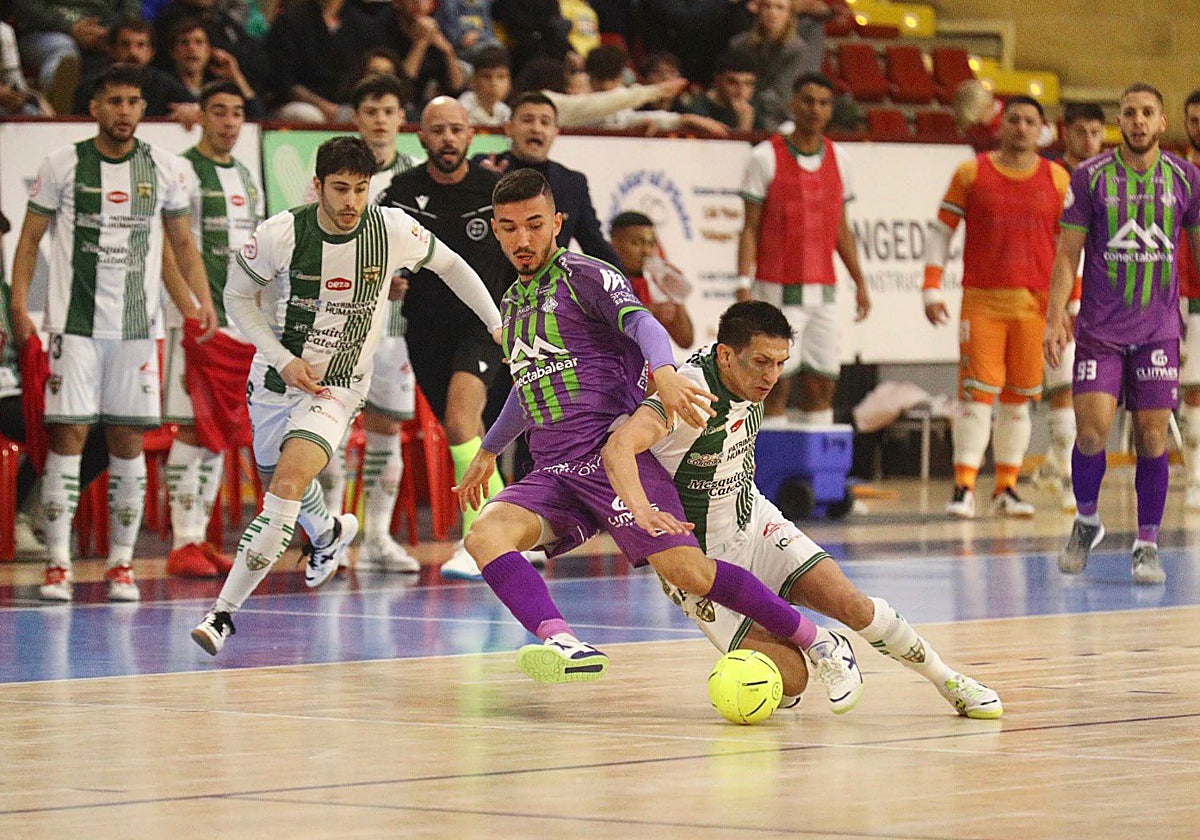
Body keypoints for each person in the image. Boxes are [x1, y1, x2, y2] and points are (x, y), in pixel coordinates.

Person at [453, 168, 864, 712]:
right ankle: (564, 642)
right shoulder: (513, 303)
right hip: (554, 471)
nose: (522, 240)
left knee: (687, 572)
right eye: (509, 228)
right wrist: (487, 450)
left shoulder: (587, 276)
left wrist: (665, 372)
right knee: (484, 535)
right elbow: (529, 390)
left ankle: (819, 641)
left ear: (556, 222)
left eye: (534, 225)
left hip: (613, 458)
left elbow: (645, 325)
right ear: (497, 231)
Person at [601, 301, 1002, 717]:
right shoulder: (687, 397)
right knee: (791, 682)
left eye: (780, 363)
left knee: (853, 605)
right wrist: (641, 511)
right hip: (700, 561)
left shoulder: (748, 380)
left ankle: (948, 679)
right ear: (725, 355)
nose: (771, 376)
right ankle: (802, 652)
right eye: (760, 362)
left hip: (753, 521)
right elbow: (618, 447)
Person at [190, 136, 502, 655]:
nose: (351, 202)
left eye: (360, 189)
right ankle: (331, 533)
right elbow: (237, 296)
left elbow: (451, 266)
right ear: (317, 187)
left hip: (337, 386)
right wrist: (281, 356)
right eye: (340, 189)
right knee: (281, 481)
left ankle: (222, 615)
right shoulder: (282, 232)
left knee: (286, 485)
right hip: (274, 379)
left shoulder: (392, 231)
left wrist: (493, 322)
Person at [9, 63, 218, 603]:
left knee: (127, 440)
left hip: (136, 332)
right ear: (95, 107)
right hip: (73, 329)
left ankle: (121, 565)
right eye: (114, 101)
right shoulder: (63, 165)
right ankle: (58, 564)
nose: (124, 111)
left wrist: (201, 303)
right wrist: (18, 306)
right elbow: (29, 241)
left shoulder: (165, 169)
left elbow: (180, 247)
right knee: (68, 438)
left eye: (133, 101)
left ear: (143, 109)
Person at [1046, 83, 1200, 585]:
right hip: (1099, 330)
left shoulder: (1186, 178)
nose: (1138, 121)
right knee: (1091, 431)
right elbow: (1068, 252)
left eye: (1147, 113)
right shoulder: (1090, 178)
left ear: (1161, 123)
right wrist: (1054, 318)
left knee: (1153, 434)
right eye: (1129, 113)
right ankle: (1087, 521)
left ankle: (1147, 544)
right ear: (1121, 121)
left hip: (1158, 330)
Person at [378, 97, 515, 580]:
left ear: (472, 135)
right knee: (463, 433)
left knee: (461, 422)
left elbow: (526, 251)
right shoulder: (398, 194)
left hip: (483, 327)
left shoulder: (494, 191)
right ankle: (506, 531)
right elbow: (372, 257)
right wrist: (386, 281)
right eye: (437, 131)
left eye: (456, 130)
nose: (447, 139)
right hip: (425, 330)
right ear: (421, 137)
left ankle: (482, 541)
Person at [923, 96, 1070, 519]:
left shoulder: (1057, 179)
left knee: (1018, 400)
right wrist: (932, 287)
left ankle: (1006, 487)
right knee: (976, 396)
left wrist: (1071, 302)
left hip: (1036, 306)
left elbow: (1069, 248)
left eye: (1030, 121)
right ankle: (963, 487)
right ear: (1000, 125)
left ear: (1041, 129)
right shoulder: (972, 172)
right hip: (982, 302)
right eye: (1014, 120)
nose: (1022, 128)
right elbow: (940, 232)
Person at [316, 73, 421, 574]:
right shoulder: (336, 170)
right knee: (331, 430)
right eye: (371, 112)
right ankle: (330, 536)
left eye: (389, 112)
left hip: (395, 327)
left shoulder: (416, 175)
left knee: (386, 429)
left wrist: (407, 281)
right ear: (356, 118)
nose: (380, 121)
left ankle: (377, 536)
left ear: (402, 119)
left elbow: (427, 250)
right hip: (341, 323)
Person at [162, 80, 264, 578]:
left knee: (216, 429)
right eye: (218, 112)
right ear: (200, 115)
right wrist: (190, 307)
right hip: (195, 320)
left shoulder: (246, 176)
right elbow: (172, 245)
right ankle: (182, 539)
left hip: (238, 323)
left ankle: (198, 538)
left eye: (236, 113)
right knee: (191, 423)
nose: (228, 122)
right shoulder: (180, 170)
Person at [736, 72, 870, 426]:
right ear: (793, 104)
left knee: (823, 382)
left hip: (823, 292)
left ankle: (814, 474)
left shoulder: (840, 159)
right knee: (775, 382)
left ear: (831, 110)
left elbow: (842, 228)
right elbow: (749, 227)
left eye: (824, 103)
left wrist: (860, 281)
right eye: (808, 101)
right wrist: (741, 281)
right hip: (776, 288)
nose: (815, 109)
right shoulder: (765, 157)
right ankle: (767, 470)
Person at [1033, 102, 1105, 512]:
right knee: (1063, 388)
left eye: (1097, 133)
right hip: (1055, 296)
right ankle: (1064, 478)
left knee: (1087, 392)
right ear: (1065, 131)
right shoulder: (1050, 176)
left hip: (1098, 301)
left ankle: (1053, 467)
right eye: (1081, 132)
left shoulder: (1109, 179)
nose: (1090, 141)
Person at [478, 91, 624, 269]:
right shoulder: (486, 168)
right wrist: (483, 179)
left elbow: (595, 246)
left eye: (545, 122)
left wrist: (625, 289)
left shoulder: (572, 183)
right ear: (509, 128)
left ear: (556, 132)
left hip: (552, 291)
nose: (536, 128)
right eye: (527, 120)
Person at [11, 0, 138, 113]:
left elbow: (131, 9)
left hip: (105, 33)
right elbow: (23, 5)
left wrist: (109, 31)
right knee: (65, 51)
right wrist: (69, 27)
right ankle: (58, 108)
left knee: (129, 48)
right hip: (45, 32)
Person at [72, 19, 198, 123]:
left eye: (141, 45)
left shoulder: (165, 84)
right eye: (125, 45)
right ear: (111, 49)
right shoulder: (91, 85)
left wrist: (193, 110)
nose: (133, 52)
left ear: (151, 52)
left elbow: (199, 108)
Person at [609, 211, 694, 347]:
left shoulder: (648, 285)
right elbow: (610, 335)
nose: (646, 251)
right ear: (614, 244)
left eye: (651, 244)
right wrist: (650, 311)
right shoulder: (603, 282)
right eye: (637, 243)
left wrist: (676, 296)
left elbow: (685, 340)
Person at [727, 0, 812, 132]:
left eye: (780, 8)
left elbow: (783, 96)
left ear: (790, 16)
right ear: (758, 11)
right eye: (767, 6)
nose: (772, 13)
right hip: (737, 109)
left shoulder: (797, 50)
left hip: (778, 119)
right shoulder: (739, 44)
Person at [161, 17, 266, 119]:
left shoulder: (219, 87)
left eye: (199, 42)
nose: (191, 48)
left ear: (209, 51)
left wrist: (236, 76)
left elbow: (258, 118)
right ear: (173, 52)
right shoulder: (163, 86)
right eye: (184, 42)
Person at [1177, 90, 1200, 510]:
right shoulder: (1174, 172)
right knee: (1195, 391)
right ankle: (1196, 479)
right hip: (1186, 295)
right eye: (1194, 120)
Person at [683, 50, 764, 132]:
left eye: (748, 83)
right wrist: (744, 126)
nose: (741, 91)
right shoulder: (698, 109)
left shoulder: (752, 107)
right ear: (717, 81)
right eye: (733, 83)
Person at [459, 45, 512, 126]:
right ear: (474, 80)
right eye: (486, 77)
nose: (494, 84)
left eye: (501, 77)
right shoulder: (462, 110)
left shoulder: (505, 112)